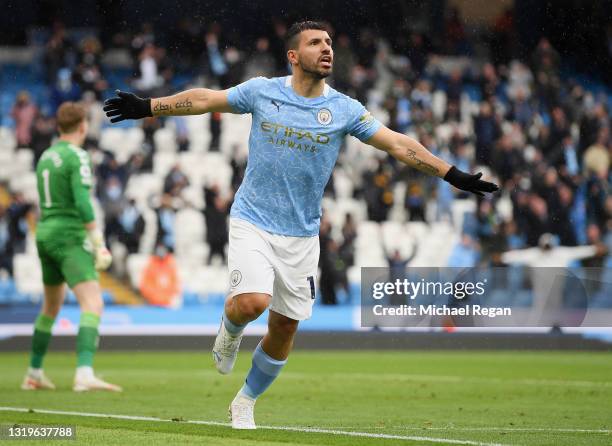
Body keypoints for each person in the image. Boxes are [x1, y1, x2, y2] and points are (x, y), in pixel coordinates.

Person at [103, 21, 498, 429]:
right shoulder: (262, 91)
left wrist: (452, 174)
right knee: (252, 302)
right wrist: (149, 107)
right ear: (293, 56)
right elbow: (206, 99)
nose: (326, 48)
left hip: (302, 235)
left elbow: (398, 143)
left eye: (328, 42)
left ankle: (245, 400)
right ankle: (230, 329)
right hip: (252, 219)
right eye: (315, 43)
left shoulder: (344, 109)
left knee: (284, 328)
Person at [22, 102, 121, 393]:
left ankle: (33, 372)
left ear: (58, 126)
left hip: (45, 233)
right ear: (83, 126)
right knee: (93, 303)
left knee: (50, 307)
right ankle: (84, 374)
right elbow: (82, 201)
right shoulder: (78, 156)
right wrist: (98, 243)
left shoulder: (46, 156)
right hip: (68, 234)